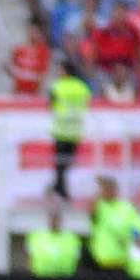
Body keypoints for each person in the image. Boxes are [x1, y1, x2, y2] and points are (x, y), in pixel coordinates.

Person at [48, 59, 91, 200]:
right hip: (75, 129)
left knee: (60, 162)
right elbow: (86, 103)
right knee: (67, 161)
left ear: (65, 71)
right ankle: (60, 188)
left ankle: (60, 188)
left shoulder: (57, 86)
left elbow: (51, 104)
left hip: (61, 129)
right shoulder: (82, 87)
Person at [85, 175, 137, 272]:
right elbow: (91, 212)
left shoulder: (127, 207)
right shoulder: (99, 206)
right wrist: (100, 189)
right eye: (106, 189)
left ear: (116, 189)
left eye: (111, 188)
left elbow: (136, 229)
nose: (108, 191)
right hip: (101, 263)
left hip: (123, 263)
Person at [25, 197, 82, 275]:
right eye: (51, 217)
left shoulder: (71, 238)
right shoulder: (36, 236)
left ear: (60, 219)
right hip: (41, 278)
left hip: (65, 279)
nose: (54, 221)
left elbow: (77, 260)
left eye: (56, 218)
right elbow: (29, 259)